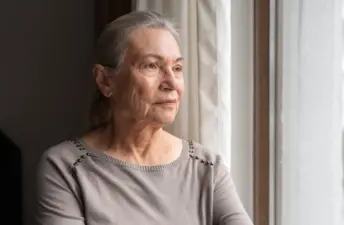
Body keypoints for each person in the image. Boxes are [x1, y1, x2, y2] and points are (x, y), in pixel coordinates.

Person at [35, 10, 253, 225]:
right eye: (151, 66)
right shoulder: (66, 167)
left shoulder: (207, 168)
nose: (172, 83)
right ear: (105, 81)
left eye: (177, 68)